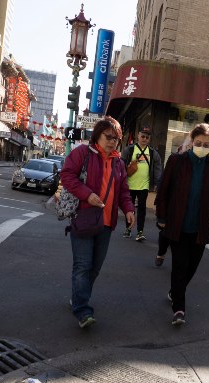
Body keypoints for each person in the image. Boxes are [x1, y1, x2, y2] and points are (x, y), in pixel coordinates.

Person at [61, 116, 135, 328]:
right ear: (98, 135)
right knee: (83, 266)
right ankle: (83, 310)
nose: (112, 141)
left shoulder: (119, 163)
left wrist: (129, 209)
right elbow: (67, 176)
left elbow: (123, 191)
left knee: (95, 268)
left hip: (106, 223)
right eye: (108, 137)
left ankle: (78, 298)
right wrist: (87, 194)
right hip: (84, 219)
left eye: (116, 139)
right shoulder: (82, 153)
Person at [155, 123, 209, 325]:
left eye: (206, 144)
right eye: (199, 143)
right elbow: (164, 191)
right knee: (179, 266)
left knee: (191, 268)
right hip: (177, 225)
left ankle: (175, 291)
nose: (202, 147)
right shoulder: (177, 161)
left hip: (200, 228)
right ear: (192, 141)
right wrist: (161, 217)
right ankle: (179, 309)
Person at [155, 134, 193, 267]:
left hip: (187, 209)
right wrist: (161, 213)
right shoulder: (176, 159)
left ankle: (178, 266)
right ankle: (161, 253)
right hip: (171, 205)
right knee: (165, 233)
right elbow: (164, 183)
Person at [121, 127, 162, 242]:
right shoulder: (129, 150)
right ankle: (128, 229)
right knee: (130, 209)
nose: (144, 139)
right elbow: (121, 164)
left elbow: (158, 168)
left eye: (147, 137)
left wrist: (158, 183)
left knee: (142, 210)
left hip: (144, 185)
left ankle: (140, 232)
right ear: (138, 136)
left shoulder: (153, 153)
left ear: (149, 139)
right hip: (129, 185)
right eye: (142, 136)